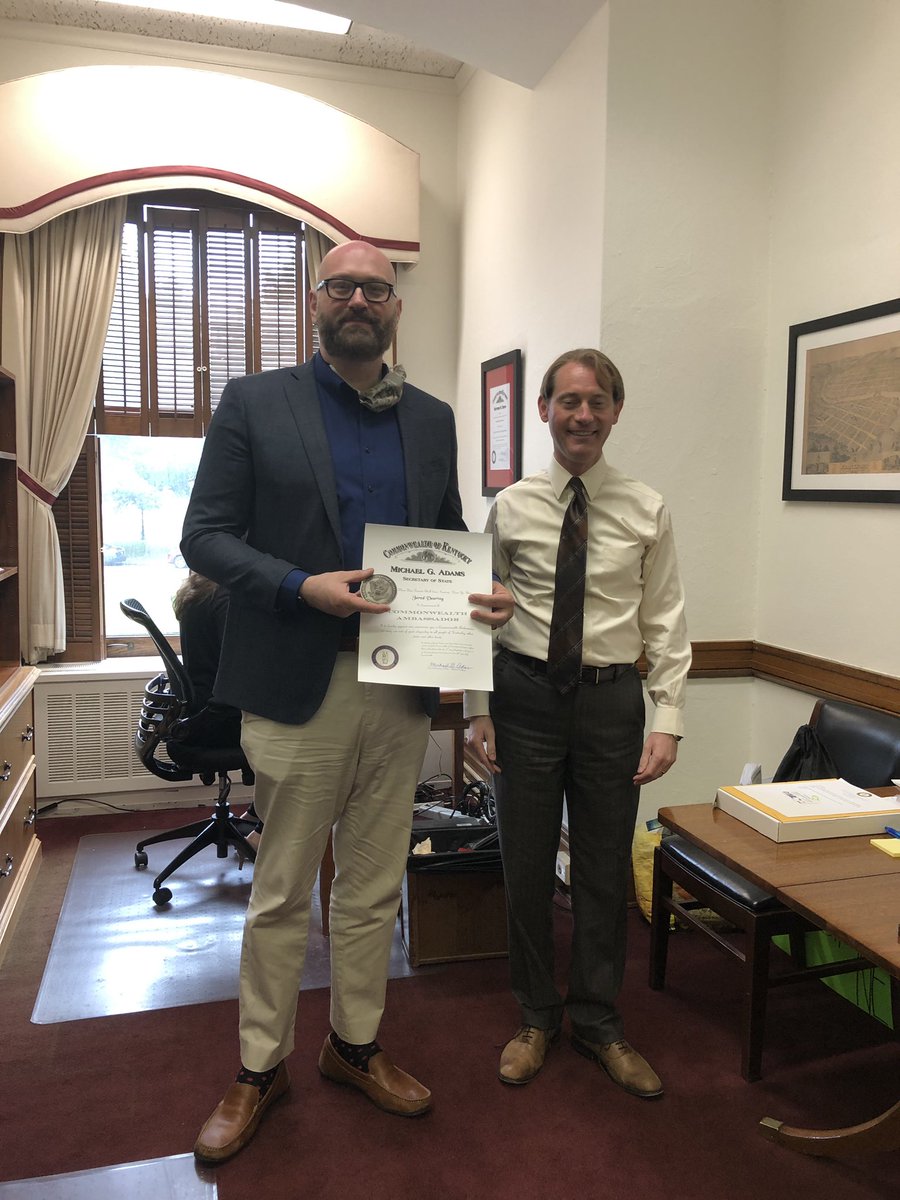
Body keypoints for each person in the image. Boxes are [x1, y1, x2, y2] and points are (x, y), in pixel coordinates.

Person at [181, 239, 514, 1163]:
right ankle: (259, 1068)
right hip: (298, 684)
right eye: (342, 286)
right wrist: (300, 586)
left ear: (396, 306)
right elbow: (204, 537)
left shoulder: (434, 418)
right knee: (282, 890)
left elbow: (445, 534)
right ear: (316, 301)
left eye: (376, 287)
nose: (360, 299)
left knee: (371, 887)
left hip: (399, 682)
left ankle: (353, 1046)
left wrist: (481, 589)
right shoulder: (256, 402)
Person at [465, 348, 690, 1099]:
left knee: (601, 869)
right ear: (545, 411)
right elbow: (479, 613)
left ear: (616, 412)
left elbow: (666, 620)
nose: (582, 416)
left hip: (611, 704)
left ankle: (597, 1020)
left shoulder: (647, 507)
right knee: (526, 868)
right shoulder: (512, 506)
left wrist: (668, 717)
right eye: (569, 402)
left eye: (597, 402)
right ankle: (536, 1016)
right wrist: (479, 708)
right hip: (524, 698)